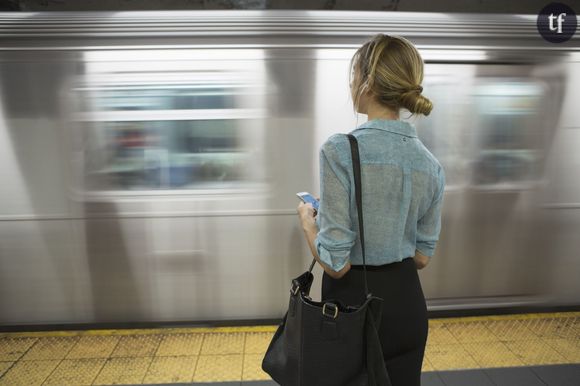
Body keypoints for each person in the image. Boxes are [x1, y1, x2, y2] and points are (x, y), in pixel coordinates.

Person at [297, 34, 445, 386]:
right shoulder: (431, 164)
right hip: (408, 307)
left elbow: (336, 264)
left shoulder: (340, 150)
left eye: (354, 75)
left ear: (367, 81)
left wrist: (308, 223)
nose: (351, 84)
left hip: (354, 308)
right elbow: (422, 257)